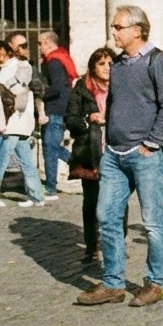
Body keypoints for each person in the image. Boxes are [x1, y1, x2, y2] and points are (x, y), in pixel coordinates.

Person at [74, 6, 163, 307]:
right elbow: (117, 103)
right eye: (113, 27)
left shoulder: (160, 63)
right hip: (114, 155)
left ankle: (155, 283)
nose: (114, 32)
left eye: (118, 27)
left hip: (144, 155)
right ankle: (113, 284)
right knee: (106, 216)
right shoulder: (117, 66)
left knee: (153, 223)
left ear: (137, 30)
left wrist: (151, 143)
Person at [65, 48, 119, 263]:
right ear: (92, 67)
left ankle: (115, 245)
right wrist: (89, 119)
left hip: (116, 150)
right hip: (91, 152)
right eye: (102, 64)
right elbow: (70, 118)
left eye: (110, 63)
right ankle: (91, 245)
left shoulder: (121, 86)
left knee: (118, 201)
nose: (107, 68)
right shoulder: (82, 87)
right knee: (91, 202)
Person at [1, 37, 45, 208]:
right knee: (26, 161)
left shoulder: (18, 68)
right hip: (20, 122)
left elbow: (13, 90)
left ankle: (37, 196)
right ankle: (37, 197)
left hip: (12, 121)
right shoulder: (23, 67)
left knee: (1, 159)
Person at [37, 30, 77, 199]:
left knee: (50, 149)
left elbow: (58, 87)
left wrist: (39, 92)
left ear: (48, 43)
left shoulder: (53, 62)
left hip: (55, 110)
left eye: (40, 43)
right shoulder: (61, 58)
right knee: (50, 147)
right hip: (59, 109)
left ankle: (51, 187)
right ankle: (77, 163)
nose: (38, 47)